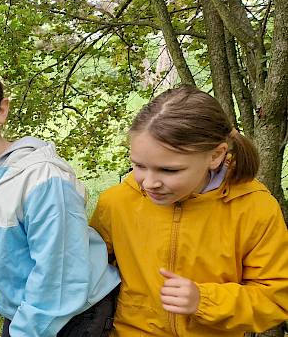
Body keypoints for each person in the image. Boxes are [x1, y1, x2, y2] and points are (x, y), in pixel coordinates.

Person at [0, 55, 120, 337]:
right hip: (25, 309)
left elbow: (59, 274)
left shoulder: (42, 178)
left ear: (1, 110)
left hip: (78, 312)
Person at [89, 85, 288, 336]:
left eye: (169, 170)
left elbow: (276, 297)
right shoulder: (116, 203)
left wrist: (203, 301)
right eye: (139, 165)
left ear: (215, 156)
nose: (149, 182)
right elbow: (84, 275)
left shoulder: (254, 207)